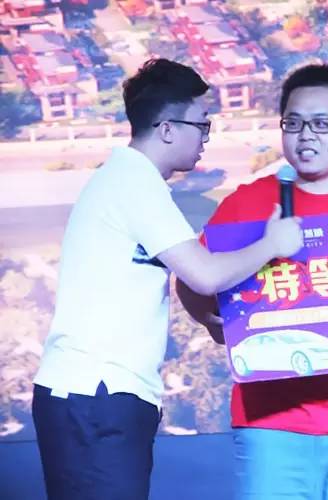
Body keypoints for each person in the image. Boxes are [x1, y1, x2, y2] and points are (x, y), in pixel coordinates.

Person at [32, 58, 303, 500]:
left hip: (95, 397)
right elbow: (204, 274)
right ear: (167, 128)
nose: (206, 138)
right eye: (202, 124)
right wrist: (273, 243)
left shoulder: (128, 179)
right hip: (97, 395)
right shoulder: (134, 183)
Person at [177, 63, 328, 499]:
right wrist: (212, 322)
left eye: (321, 124)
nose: (305, 136)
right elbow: (193, 279)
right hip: (270, 420)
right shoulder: (247, 203)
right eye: (294, 123)